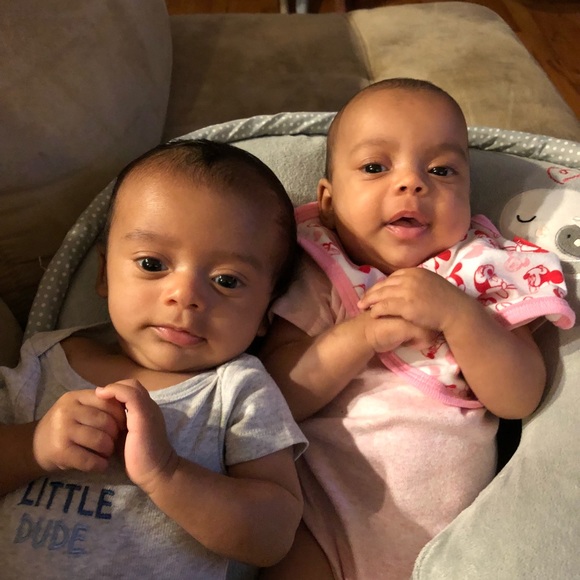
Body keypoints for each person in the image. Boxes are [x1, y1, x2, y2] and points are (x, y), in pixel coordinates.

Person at [259, 78, 576, 579]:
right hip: (317, 528)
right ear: (328, 201)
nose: (412, 183)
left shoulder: (479, 274)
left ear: (469, 197)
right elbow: (277, 398)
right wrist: (363, 334)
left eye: (441, 170)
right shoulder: (320, 272)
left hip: (453, 550)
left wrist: (459, 316)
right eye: (375, 167)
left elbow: (519, 398)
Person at [0, 139, 308, 579]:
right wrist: (34, 446)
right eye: (151, 263)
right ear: (104, 274)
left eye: (226, 280)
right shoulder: (46, 358)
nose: (184, 295)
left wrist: (168, 473)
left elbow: (273, 537)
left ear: (265, 313)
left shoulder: (239, 389)